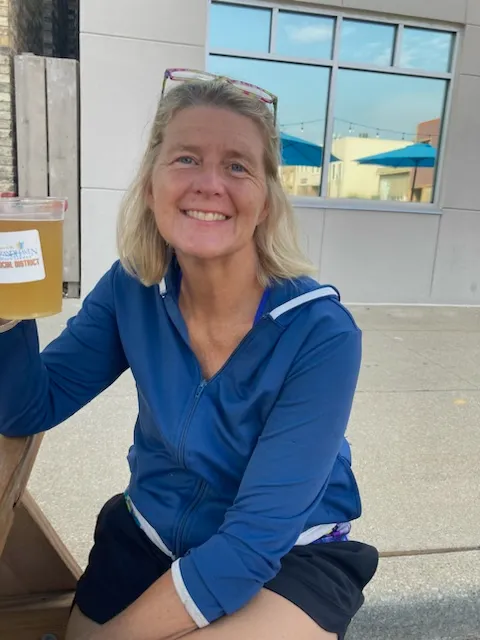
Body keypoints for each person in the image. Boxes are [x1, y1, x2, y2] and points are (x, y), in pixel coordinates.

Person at [0, 69, 378, 640]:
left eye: (237, 165)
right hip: (150, 532)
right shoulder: (132, 287)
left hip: (285, 555)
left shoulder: (321, 334)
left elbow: (252, 541)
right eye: (184, 159)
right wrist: (7, 313)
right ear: (151, 185)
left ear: (267, 200)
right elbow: (30, 406)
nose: (209, 183)